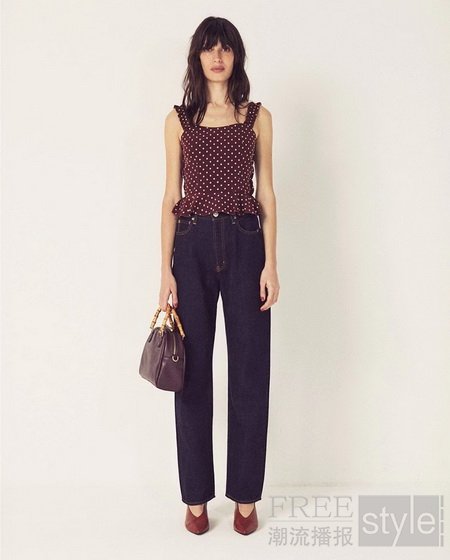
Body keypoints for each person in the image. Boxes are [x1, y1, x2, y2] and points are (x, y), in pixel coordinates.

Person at [159, 16, 280, 535]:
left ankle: (246, 496)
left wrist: (271, 262)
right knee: (192, 373)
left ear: (236, 56)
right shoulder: (178, 121)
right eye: (208, 49)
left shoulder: (257, 117)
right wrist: (164, 270)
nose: (217, 57)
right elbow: (170, 196)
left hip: (247, 242)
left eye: (225, 48)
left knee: (250, 369)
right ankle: (195, 497)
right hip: (190, 246)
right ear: (197, 57)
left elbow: (266, 191)